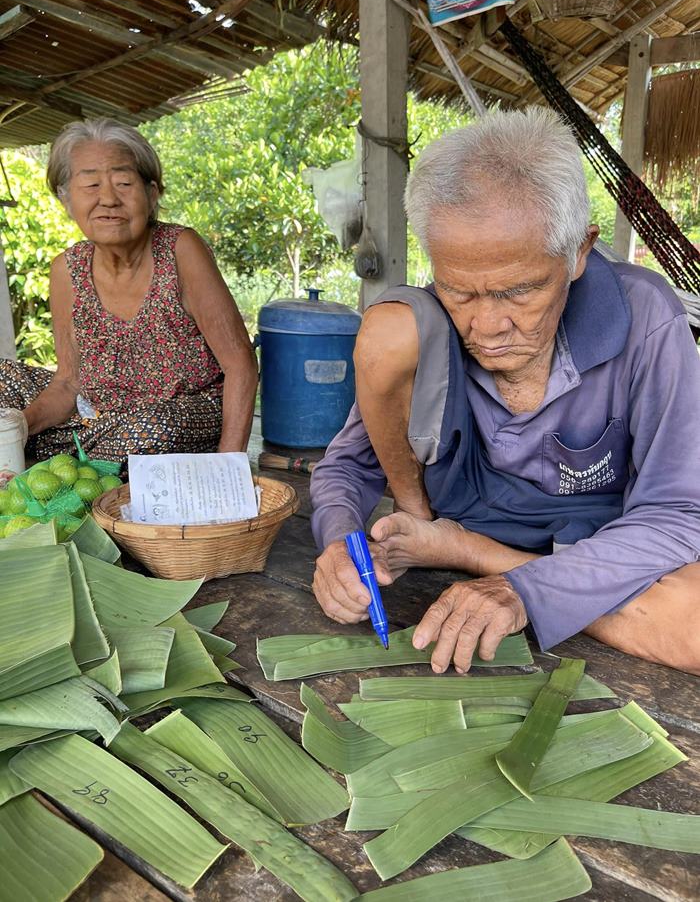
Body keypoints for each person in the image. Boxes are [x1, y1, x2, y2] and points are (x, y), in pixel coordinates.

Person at [310, 107, 700, 676]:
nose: (487, 327)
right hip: (453, 529)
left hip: (594, 550)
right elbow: (344, 469)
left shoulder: (647, 318)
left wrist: (508, 579)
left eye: (519, 291)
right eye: (460, 291)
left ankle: (470, 553)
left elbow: (675, 513)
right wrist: (339, 543)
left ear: (579, 253)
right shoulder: (429, 331)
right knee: (390, 325)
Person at [0, 118, 257, 465]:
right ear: (66, 200)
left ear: (152, 194)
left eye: (123, 183)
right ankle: (73, 450)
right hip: (98, 415)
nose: (108, 198)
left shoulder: (181, 250)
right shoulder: (66, 270)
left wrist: (228, 466)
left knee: (153, 432)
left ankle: (69, 453)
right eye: (90, 184)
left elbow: (240, 363)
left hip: (180, 419)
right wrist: (20, 426)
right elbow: (67, 382)